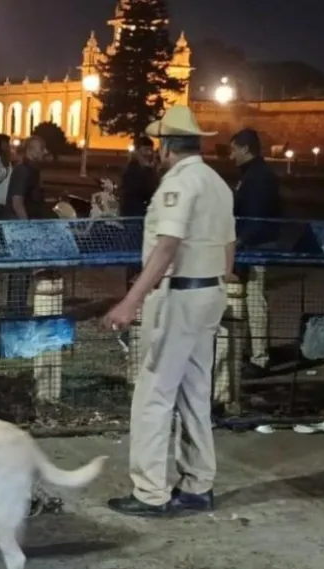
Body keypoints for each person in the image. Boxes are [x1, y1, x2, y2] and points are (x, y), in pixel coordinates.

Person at [103, 106, 235, 518]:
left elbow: (167, 246)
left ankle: (150, 491)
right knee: (195, 392)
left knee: (154, 394)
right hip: (209, 292)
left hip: (178, 296)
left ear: (168, 146)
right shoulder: (217, 183)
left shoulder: (178, 184)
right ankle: (197, 484)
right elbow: (230, 247)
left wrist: (131, 300)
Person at [229, 128, 281, 378]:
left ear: (245, 149)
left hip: (255, 248)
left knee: (255, 300)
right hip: (253, 246)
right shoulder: (256, 174)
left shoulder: (256, 177)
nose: (231, 156)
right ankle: (256, 352)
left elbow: (256, 217)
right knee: (252, 300)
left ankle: (259, 357)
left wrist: (241, 241)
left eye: (233, 150)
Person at [0, 136, 51, 317]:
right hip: (20, 229)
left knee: (22, 272)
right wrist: (27, 227)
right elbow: (17, 200)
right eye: (42, 148)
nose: (45, 152)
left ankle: (17, 308)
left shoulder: (32, 170)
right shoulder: (24, 171)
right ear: (30, 150)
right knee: (20, 272)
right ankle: (16, 310)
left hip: (22, 226)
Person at [119, 135, 159, 218]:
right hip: (134, 214)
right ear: (137, 152)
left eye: (151, 150)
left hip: (144, 214)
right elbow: (143, 190)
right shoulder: (131, 170)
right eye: (145, 150)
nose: (149, 154)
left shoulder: (150, 169)